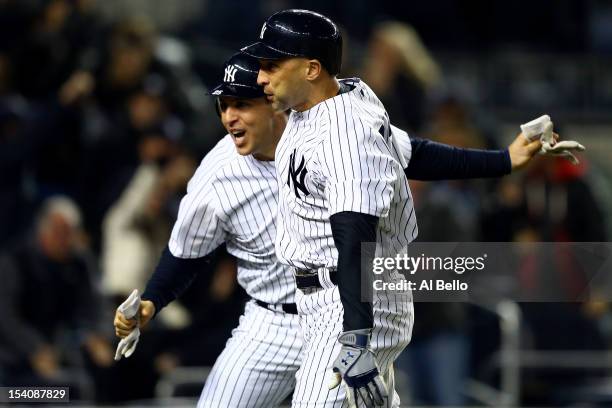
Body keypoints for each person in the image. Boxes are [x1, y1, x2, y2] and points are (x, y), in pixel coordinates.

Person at [241, 9, 576, 408]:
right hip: (326, 300)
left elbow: (354, 238)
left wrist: (356, 337)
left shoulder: (344, 136)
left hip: (349, 301)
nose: (261, 76)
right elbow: (412, 152)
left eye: (273, 65)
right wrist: (503, 160)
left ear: (312, 69)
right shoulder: (336, 102)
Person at [114, 53, 303, 408]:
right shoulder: (218, 172)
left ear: (274, 104)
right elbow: (185, 253)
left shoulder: (326, 136)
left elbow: (404, 151)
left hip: (337, 316)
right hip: (269, 322)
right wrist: (152, 301)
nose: (229, 116)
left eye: (242, 104)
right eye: (223, 105)